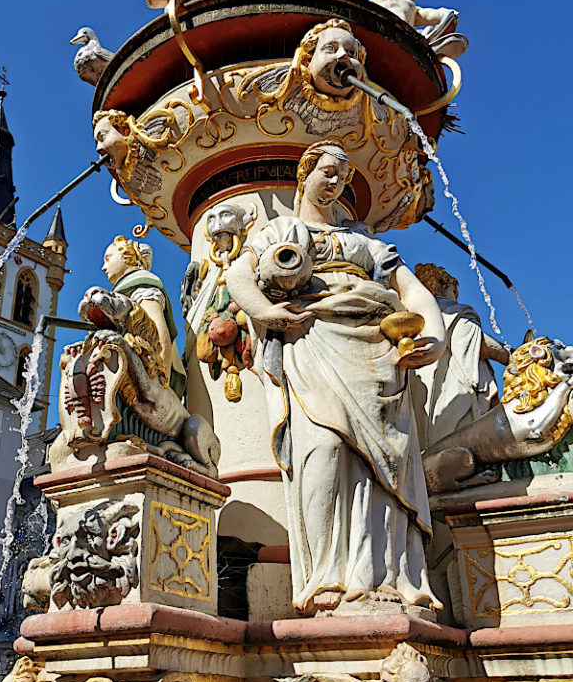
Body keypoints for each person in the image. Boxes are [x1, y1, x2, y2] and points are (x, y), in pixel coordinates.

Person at [226, 138, 444, 614]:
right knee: (320, 450)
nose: (336, 182)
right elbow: (237, 278)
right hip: (311, 342)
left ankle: (384, 578)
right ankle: (325, 575)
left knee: (381, 465)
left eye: (343, 176)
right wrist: (270, 315)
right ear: (304, 173)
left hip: (377, 355)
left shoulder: (364, 242)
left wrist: (437, 334)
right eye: (328, 171)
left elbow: (412, 290)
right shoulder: (279, 230)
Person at [412, 263, 510, 450]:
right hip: (455, 393)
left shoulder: (415, 318)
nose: (455, 296)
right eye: (453, 290)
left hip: (423, 404)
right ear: (442, 286)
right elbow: (477, 342)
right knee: (466, 442)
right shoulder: (448, 308)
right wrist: (513, 356)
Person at [102, 236, 187, 397]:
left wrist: (160, 381)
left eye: (108, 258)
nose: (103, 267)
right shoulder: (126, 289)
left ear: (127, 255)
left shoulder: (142, 284)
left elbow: (158, 331)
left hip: (147, 375)